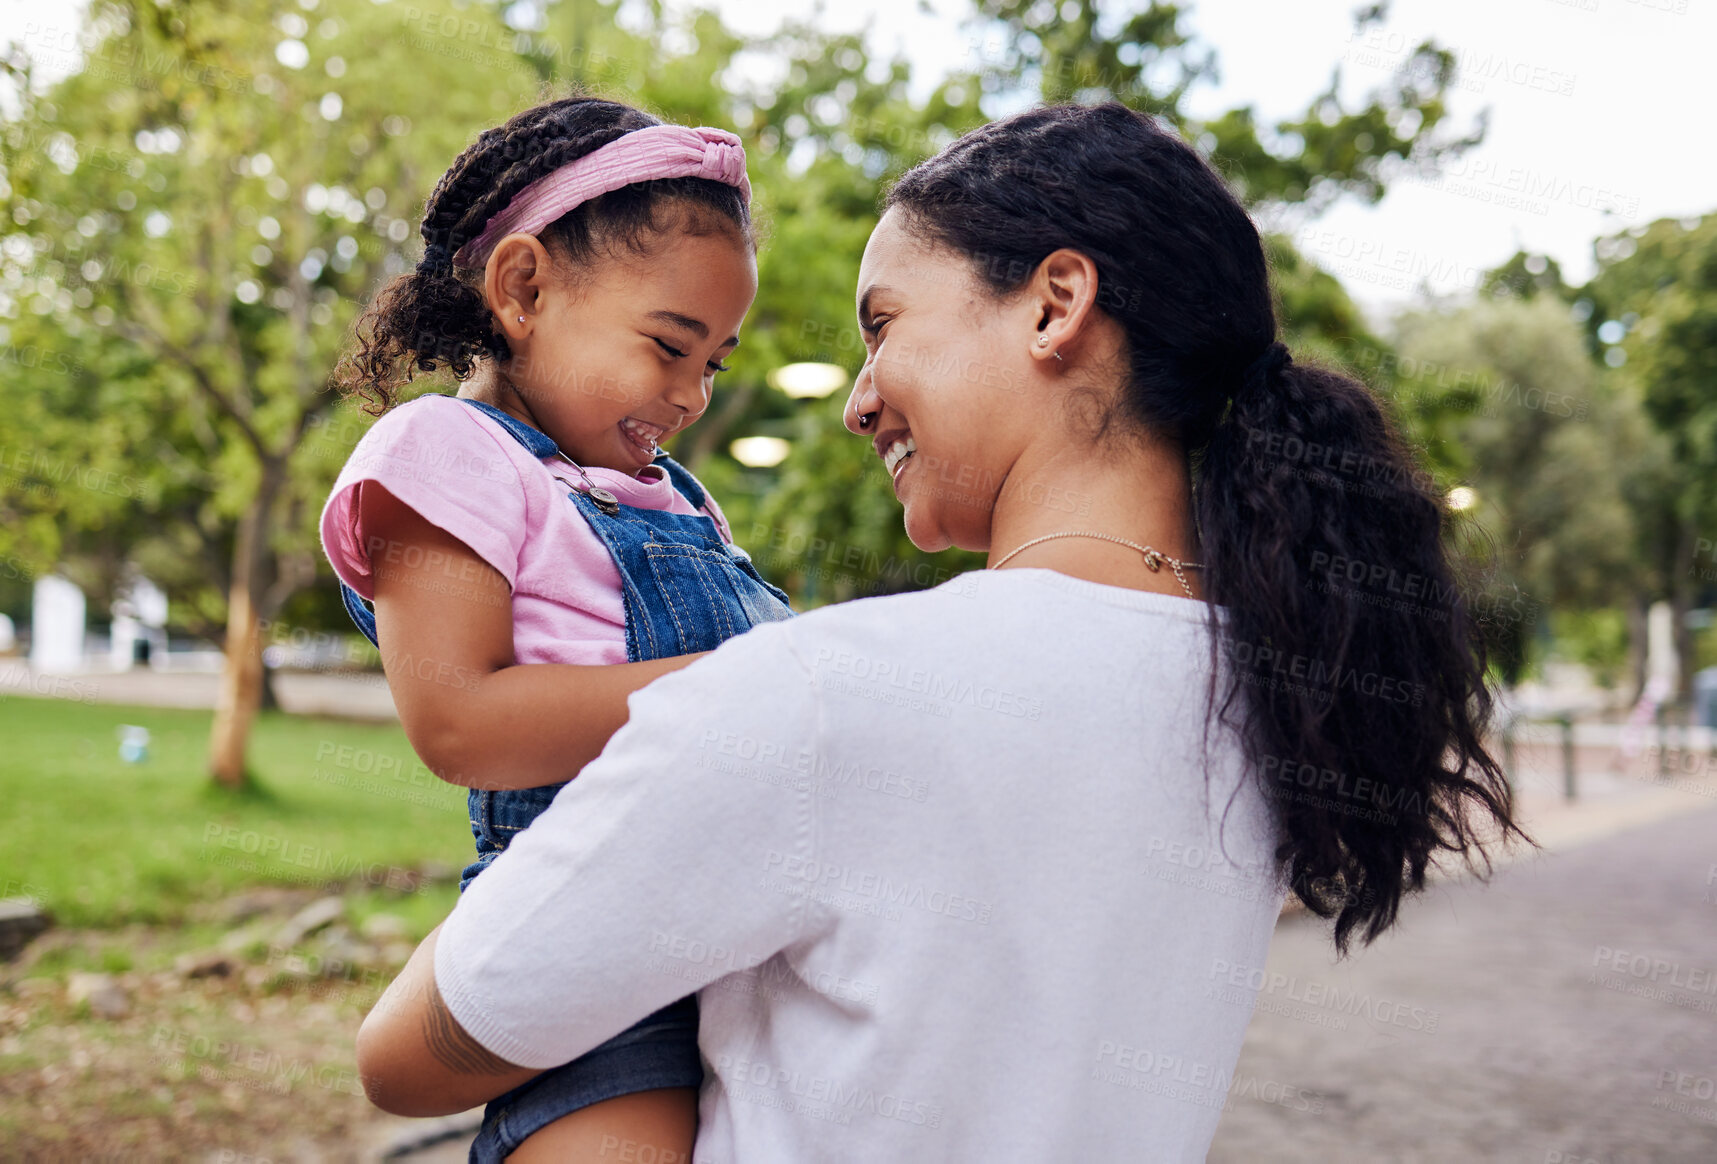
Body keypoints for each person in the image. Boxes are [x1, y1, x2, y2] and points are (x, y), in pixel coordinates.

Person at [356, 101, 1523, 1162]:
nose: (858, 399)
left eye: (882, 324)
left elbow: (406, 1058)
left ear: (1055, 304)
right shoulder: (1268, 690)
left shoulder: (818, 694)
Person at [322, 96, 793, 1162]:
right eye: (670, 346)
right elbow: (460, 721)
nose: (691, 397)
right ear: (525, 288)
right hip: (599, 942)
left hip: (753, 933)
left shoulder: (676, 496)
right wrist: (749, 683)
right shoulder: (445, 452)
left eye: (712, 363)